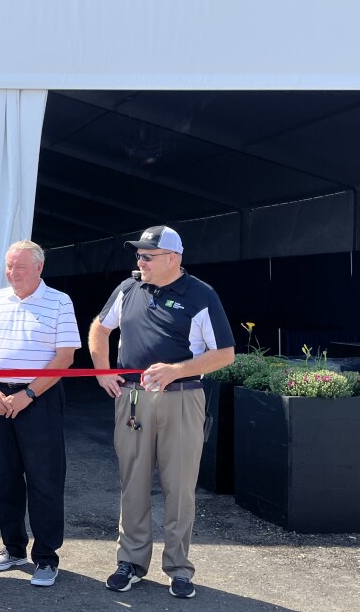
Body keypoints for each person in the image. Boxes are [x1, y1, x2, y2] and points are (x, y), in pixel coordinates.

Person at [87, 225, 235, 600]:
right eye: (138, 255)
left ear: (173, 258)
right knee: (132, 483)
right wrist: (103, 371)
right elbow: (99, 329)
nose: (140, 261)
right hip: (133, 399)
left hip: (182, 398)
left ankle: (179, 568)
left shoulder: (201, 295)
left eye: (147, 256)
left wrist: (176, 370)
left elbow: (224, 354)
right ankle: (130, 562)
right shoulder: (128, 289)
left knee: (180, 487)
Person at [0, 241, 81, 587]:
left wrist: (29, 393)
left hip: (40, 399)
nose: (12, 273)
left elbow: (65, 357)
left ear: (39, 268)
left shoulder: (59, 302)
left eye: (20, 267)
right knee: (5, 477)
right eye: (9, 266)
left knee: (44, 479)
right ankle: (13, 548)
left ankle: (46, 557)